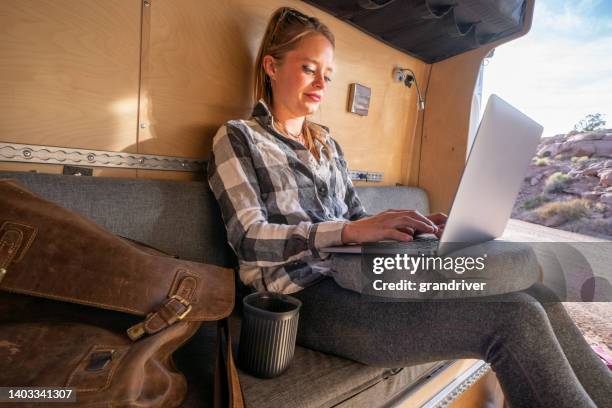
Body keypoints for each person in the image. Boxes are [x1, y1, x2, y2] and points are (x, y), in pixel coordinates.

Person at [207, 7, 612, 407]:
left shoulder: (327, 145)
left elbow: (355, 217)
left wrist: (402, 226)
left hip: (361, 276)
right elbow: (247, 238)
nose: (321, 83)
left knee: (535, 293)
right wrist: (348, 232)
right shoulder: (239, 137)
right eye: (309, 69)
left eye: (327, 75)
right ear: (272, 67)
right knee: (515, 319)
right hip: (304, 299)